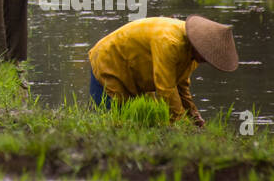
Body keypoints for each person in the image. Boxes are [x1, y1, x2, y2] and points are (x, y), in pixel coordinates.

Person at [88, 16, 238, 126]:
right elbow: (165, 88)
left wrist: (194, 116)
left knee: (146, 120)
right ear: (199, 46)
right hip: (109, 64)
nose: (207, 61)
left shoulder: (191, 54)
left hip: (135, 74)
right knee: (116, 124)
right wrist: (182, 124)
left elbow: (181, 86)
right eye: (207, 56)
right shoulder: (170, 42)